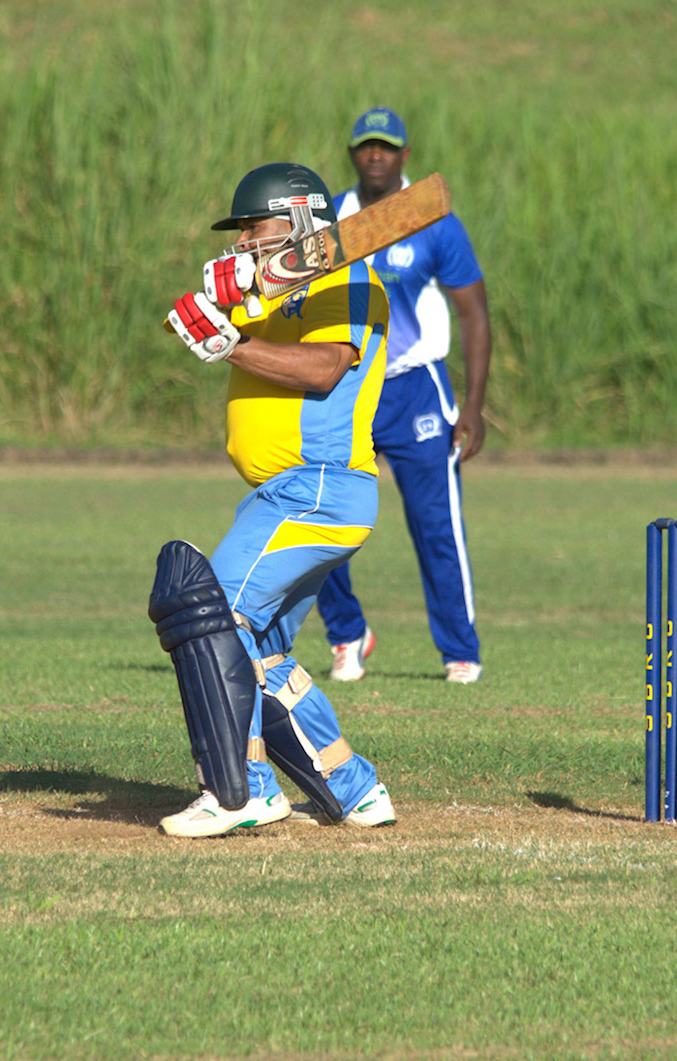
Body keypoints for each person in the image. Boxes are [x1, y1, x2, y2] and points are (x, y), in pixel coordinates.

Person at [151, 162, 397, 837]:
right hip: (287, 491)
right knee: (257, 653)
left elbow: (323, 369)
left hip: (318, 485)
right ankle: (354, 787)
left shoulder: (350, 277)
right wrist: (214, 299)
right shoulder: (276, 291)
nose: (244, 241)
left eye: (254, 228)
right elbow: (188, 325)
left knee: (214, 614)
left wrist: (231, 342)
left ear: (295, 221)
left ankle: (243, 789)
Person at [315, 107, 493, 684]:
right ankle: (347, 635)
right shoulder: (331, 222)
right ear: (351, 154)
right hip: (348, 385)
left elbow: (474, 313)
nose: (375, 155)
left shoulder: (431, 219)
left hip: (417, 386)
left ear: (404, 156)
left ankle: (459, 652)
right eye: (365, 146)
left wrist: (472, 405)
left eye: (386, 147)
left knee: (435, 525)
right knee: (319, 514)